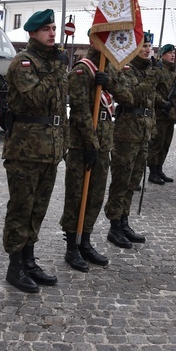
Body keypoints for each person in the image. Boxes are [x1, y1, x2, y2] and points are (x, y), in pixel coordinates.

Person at [2, 9, 68, 293]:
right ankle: (14, 267)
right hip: (25, 151)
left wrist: (63, 143)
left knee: (38, 209)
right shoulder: (23, 63)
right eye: (46, 29)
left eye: (53, 28)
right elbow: (38, 99)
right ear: (32, 33)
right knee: (21, 209)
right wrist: (56, 68)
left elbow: (59, 109)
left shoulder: (51, 62)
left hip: (49, 151)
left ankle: (29, 260)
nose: (52, 33)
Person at [60, 36, 134, 272]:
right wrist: (91, 143)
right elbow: (80, 112)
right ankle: (72, 246)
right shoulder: (82, 70)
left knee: (96, 193)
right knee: (77, 193)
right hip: (83, 143)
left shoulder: (110, 69)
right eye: (104, 40)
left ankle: (87, 240)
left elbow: (129, 97)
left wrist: (110, 83)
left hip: (104, 140)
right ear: (94, 42)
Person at [105, 32, 157, 246]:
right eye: (143, 46)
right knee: (121, 181)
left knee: (133, 181)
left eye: (150, 47)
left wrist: (151, 129)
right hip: (127, 134)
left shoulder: (149, 70)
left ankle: (124, 221)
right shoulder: (125, 69)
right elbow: (129, 97)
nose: (147, 50)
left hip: (143, 133)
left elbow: (150, 105)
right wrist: (151, 79)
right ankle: (114, 226)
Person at [147, 44, 176, 185]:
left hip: (170, 116)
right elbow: (151, 91)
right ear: (162, 54)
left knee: (165, 144)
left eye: (174, 53)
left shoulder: (173, 73)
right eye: (169, 53)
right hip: (160, 115)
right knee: (157, 145)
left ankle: (159, 169)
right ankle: (153, 172)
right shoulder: (158, 70)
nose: (172, 55)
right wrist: (162, 102)